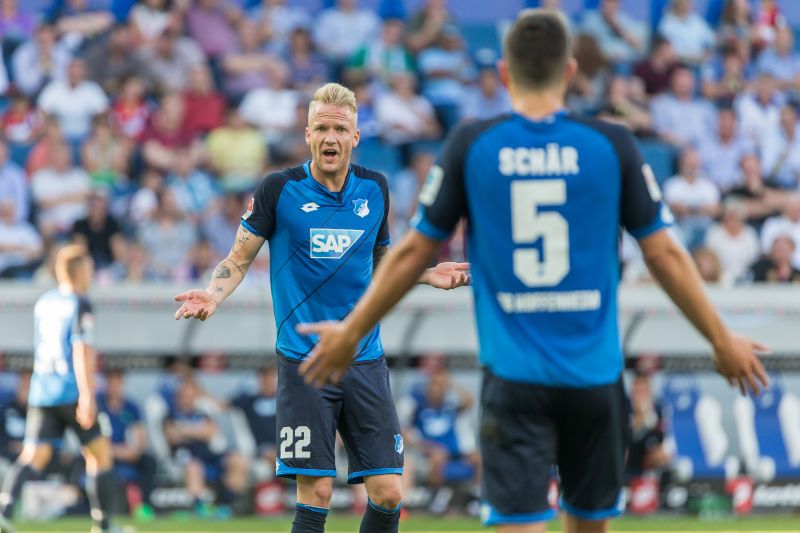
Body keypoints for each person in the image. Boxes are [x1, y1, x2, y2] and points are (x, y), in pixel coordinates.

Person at [296, 11, 768, 533]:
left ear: (503, 74)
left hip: (514, 381)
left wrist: (351, 331)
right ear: (569, 73)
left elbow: (410, 253)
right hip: (594, 379)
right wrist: (721, 339)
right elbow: (666, 255)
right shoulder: (613, 144)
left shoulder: (472, 145)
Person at [173, 82, 470, 533]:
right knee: (317, 493)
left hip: (363, 357)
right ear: (308, 135)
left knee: (389, 493)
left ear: (355, 137)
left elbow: (383, 260)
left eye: (340, 129)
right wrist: (213, 294)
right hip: (303, 359)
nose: (330, 138)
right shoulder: (278, 189)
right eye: (321, 128)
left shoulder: (375, 189)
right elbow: (238, 258)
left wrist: (427, 272)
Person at [0, 245, 122, 533]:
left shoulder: (44, 302)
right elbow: (81, 349)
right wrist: (88, 395)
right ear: (79, 270)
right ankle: (103, 526)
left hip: (43, 391)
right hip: (71, 390)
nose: (91, 273)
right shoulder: (80, 302)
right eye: (89, 268)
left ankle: (4, 511)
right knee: (100, 454)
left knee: (34, 456)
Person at [96, 368, 156, 520]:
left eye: (118, 383)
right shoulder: (98, 405)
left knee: (149, 462)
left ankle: (144, 505)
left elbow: (140, 436)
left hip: (127, 452)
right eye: (111, 383)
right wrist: (114, 451)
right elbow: (92, 437)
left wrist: (134, 450)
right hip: (104, 453)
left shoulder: (131, 407)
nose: (114, 387)